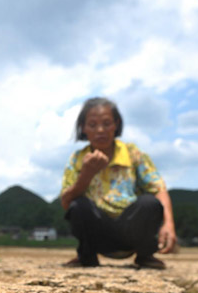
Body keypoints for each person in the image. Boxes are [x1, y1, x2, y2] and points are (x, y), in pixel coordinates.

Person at [61, 97, 176, 269]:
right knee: (79, 206)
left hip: (131, 229)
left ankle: (145, 255)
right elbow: (66, 203)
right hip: (97, 231)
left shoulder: (132, 153)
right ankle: (87, 255)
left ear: (116, 124)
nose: (100, 130)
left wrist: (169, 224)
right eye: (92, 125)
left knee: (149, 202)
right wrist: (86, 174)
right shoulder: (77, 159)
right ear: (83, 128)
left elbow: (158, 188)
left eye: (106, 123)